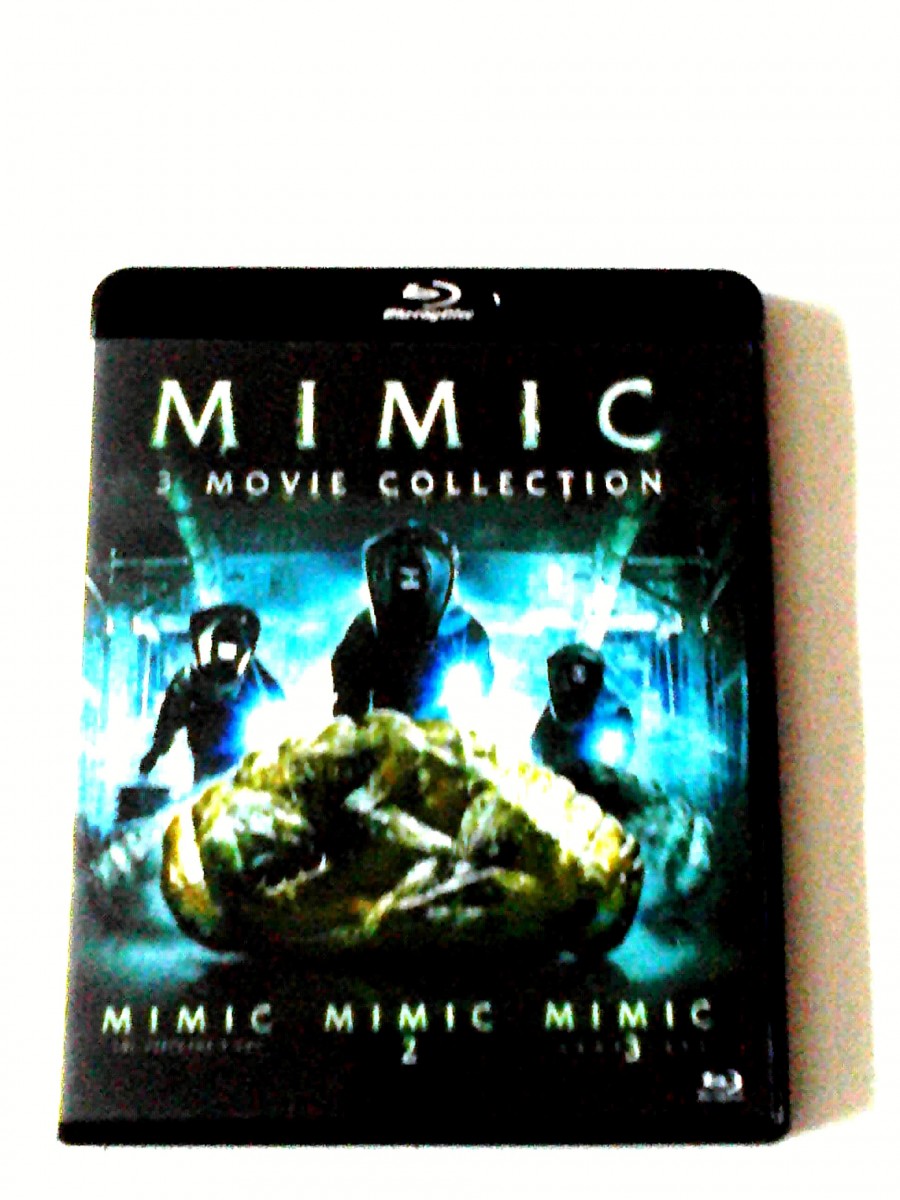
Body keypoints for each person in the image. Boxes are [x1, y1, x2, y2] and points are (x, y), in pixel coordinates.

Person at [332, 521, 493, 721]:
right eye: (404, 575)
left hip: (439, 724)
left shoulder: (462, 629)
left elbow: (481, 687)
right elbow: (346, 685)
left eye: (415, 575)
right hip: (381, 722)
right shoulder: (365, 628)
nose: (410, 582)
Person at [140, 604, 283, 783]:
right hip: (205, 772)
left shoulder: (255, 681)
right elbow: (166, 730)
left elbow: (281, 711)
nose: (226, 660)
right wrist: (153, 756)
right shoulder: (188, 683)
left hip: (244, 773)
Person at [532, 643, 636, 808]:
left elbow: (623, 751)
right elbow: (539, 753)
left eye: (581, 672)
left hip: (603, 790)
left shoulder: (612, 711)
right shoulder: (548, 721)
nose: (575, 679)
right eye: (571, 673)